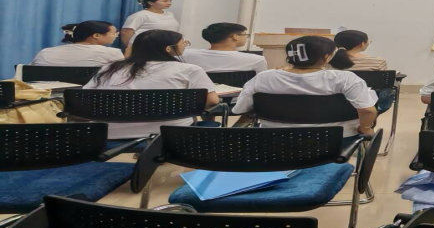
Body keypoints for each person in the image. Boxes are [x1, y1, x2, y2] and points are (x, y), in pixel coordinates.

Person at [84, 29, 219, 139]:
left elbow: (86, 96)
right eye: (184, 43)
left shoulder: (110, 68)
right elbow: (212, 101)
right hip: (169, 134)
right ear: (168, 49)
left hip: (108, 133)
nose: (185, 45)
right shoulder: (190, 70)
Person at [233, 35, 377, 138]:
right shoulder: (345, 78)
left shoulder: (264, 78)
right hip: (334, 139)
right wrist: (364, 128)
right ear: (326, 57)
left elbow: (242, 108)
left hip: (275, 137)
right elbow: (367, 110)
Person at [330, 30, 394, 113]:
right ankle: (371, 116)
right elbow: (382, 83)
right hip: (368, 104)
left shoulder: (328, 62)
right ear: (362, 44)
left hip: (334, 102)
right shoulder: (378, 62)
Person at [181, 23, 267, 73]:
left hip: (197, 96)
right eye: (245, 35)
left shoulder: (185, 54)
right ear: (235, 36)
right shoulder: (256, 60)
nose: (246, 37)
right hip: (237, 97)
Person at [30, 21, 125, 66]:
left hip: (45, 96)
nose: (116, 36)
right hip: (88, 96)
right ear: (96, 35)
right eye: (114, 33)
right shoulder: (112, 53)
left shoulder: (45, 52)